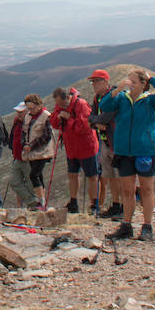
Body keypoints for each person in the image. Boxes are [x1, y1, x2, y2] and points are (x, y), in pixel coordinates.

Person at [100, 69, 155, 241]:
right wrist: (117, 90)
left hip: (145, 150)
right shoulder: (122, 98)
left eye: (134, 82)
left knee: (146, 189)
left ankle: (147, 226)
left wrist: (151, 77)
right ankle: (126, 225)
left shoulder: (149, 101)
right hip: (124, 151)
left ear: (143, 84)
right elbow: (105, 106)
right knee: (127, 189)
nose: (130, 84)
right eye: (128, 81)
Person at [51, 86, 99, 215]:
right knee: (72, 174)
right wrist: (59, 117)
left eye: (61, 103)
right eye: (58, 104)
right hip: (71, 147)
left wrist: (69, 119)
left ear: (68, 97)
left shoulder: (81, 105)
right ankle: (73, 202)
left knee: (91, 176)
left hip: (86, 146)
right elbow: (54, 123)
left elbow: (85, 127)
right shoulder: (60, 106)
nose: (60, 106)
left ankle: (94, 204)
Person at [87, 70, 119, 218]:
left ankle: (123, 207)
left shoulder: (114, 96)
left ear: (106, 82)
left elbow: (107, 117)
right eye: (93, 81)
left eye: (97, 81)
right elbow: (91, 117)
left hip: (115, 142)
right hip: (105, 141)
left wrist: (97, 121)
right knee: (110, 175)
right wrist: (96, 123)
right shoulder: (97, 98)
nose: (94, 84)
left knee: (119, 176)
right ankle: (116, 204)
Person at [16, 94, 55, 210]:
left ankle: (41, 201)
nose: (30, 111)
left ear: (39, 105)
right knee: (39, 176)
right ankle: (42, 202)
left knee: (34, 174)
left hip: (42, 151)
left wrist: (31, 145)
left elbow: (47, 135)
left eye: (32, 108)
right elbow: (23, 133)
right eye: (28, 108)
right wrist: (24, 144)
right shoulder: (28, 117)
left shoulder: (46, 116)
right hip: (31, 152)